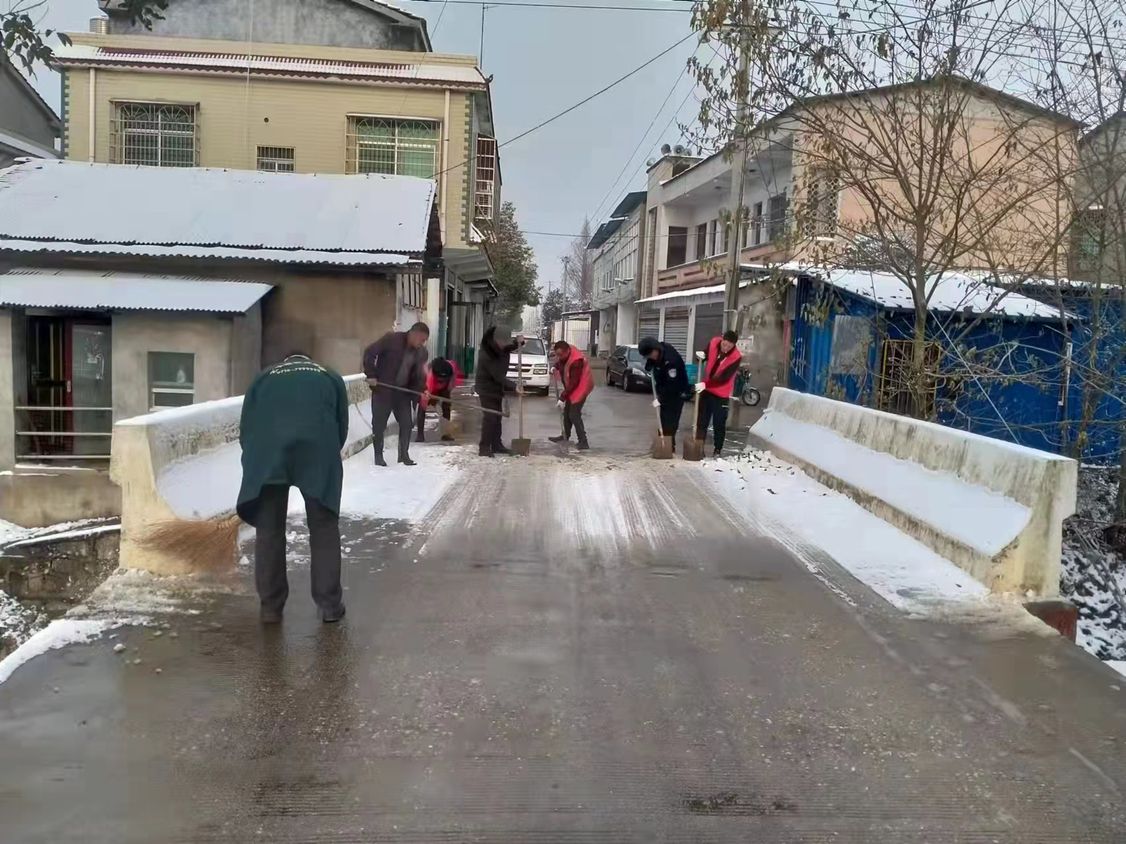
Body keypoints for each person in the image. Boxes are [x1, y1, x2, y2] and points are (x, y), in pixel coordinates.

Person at [237, 352, 349, 624]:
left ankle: (270, 608)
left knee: (269, 531)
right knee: (323, 528)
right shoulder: (329, 375)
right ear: (308, 361)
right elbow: (341, 425)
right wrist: (326, 453)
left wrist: (258, 460)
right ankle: (329, 606)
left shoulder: (263, 378)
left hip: (268, 454)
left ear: (284, 362)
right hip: (317, 451)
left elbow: (246, 427)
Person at [362, 322, 429, 467]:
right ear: (415, 334)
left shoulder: (421, 353)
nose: (422, 343)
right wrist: (371, 374)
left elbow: (418, 375)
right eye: (422, 339)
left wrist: (423, 389)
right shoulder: (392, 339)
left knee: (407, 424)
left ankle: (403, 455)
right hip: (383, 390)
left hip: (402, 393)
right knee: (379, 425)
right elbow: (370, 352)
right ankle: (378, 456)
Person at [693, 330, 743, 457]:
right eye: (724, 345)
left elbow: (724, 378)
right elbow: (705, 354)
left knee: (719, 422)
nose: (725, 348)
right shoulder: (714, 342)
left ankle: (717, 450)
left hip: (721, 393)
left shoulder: (736, 357)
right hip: (706, 391)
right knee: (702, 420)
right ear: (722, 339)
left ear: (734, 345)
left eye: (729, 347)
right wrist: (701, 356)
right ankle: (699, 447)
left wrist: (706, 384)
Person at [474, 326, 521, 457]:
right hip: (486, 389)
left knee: (497, 417)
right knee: (490, 418)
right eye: (504, 342)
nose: (506, 345)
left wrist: (519, 343)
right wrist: (514, 386)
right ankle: (484, 447)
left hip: (496, 388)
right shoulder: (486, 354)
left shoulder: (500, 347)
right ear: (497, 339)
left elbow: (509, 347)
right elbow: (498, 375)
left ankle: (496, 445)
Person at [638, 336, 689, 448]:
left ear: (656, 349)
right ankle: (662, 443)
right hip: (664, 389)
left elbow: (671, 384)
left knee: (670, 422)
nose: (651, 357)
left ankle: (669, 447)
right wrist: (649, 364)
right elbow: (651, 364)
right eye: (648, 356)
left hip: (677, 392)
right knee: (663, 419)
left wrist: (660, 400)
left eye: (650, 355)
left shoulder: (671, 361)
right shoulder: (658, 352)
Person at [549, 340, 594, 450]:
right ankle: (565, 436)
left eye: (560, 355)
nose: (559, 357)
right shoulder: (565, 354)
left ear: (567, 351)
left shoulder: (576, 361)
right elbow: (562, 362)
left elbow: (574, 383)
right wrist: (555, 366)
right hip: (573, 386)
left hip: (581, 386)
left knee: (574, 414)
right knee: (566, 412)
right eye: (557, 355)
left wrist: (562, 398)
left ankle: (583, 442)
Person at [416, 357, 461, 443]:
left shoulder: (452, 371)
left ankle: (445, 433)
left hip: (443, 389)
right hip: (428, 388)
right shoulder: (426, 374)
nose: (442, 381)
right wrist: (429, 396)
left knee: (446, 406)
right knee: (422, 407)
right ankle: (420, 435)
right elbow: (426, 390)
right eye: (440, 380)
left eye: (444, 380)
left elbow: (449, 388)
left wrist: (444, 397)